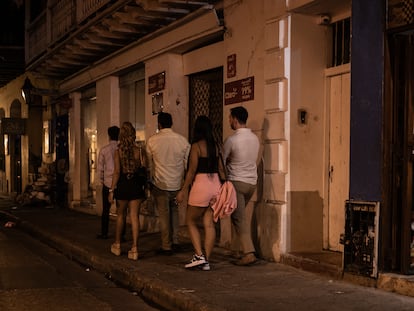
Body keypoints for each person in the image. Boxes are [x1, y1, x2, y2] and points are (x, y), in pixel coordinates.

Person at [176, 116, 222, 271]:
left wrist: (183, 190)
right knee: (209, 223)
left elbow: (191, 171)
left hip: (201, 185)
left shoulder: (196, 146)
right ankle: (206, 261)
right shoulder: (216, 146)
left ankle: (198, 255)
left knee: (190, 220)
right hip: (216, 184)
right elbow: (222, 170)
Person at [146, 112, 190, 255]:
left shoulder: (152, 141)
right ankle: (175, 241)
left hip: (160, 185)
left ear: (159, 124)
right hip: (177, 185)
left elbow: (149, 164)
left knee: (164, 215)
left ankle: (166, 245)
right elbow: (186, 163)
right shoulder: (182, 141)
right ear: (171, 123)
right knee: (175, 212)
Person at [223, 106, 260, 266]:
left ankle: (249, 253)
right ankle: (238, 249)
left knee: (239, 219)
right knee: (240, 217)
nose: (229, 121)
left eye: (230, 118)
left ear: (235, 120)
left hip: (237, 182)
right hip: (251, 183)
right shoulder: (254, 138)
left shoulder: (232, 140)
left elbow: (222, 160)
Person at [109, 122, 147, 260]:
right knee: (135, 217)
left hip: (123, 185)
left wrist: (111, 190)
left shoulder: (118, 152)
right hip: (136, 184)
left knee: (120, 216)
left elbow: (117, 172)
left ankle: (117, 245)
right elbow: (144, 168)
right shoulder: (139, 150)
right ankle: (135, 248)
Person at [96, 126, 119, 239]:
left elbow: (100, 167)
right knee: (121, 210)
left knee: (106, 209)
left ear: (109, 135)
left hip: (107, 183)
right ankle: (121, 234)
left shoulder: (104, 150)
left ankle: (104, 233)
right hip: (119, 182)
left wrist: (101, 180)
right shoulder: (120, 149)